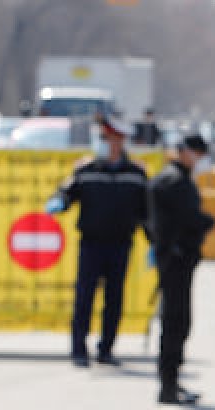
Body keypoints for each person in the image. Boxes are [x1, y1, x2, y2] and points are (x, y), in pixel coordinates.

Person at [46, 114, 148, 368]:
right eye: (102, 138)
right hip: (91, 244)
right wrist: (60, 201)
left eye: (109, 138)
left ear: (120, 141)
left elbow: (146, 211)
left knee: (114, 300)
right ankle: (79, 350)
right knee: (84, 299)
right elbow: (67, 193)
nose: (104, 143)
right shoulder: (86, 170)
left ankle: (106, 349)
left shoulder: (136, 174)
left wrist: (155, 241)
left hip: (120, 244)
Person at [147, 134, 215, 405]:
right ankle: (168, 386)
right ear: (185, 152)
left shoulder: (171, 179)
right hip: (177, 259)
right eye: (196, 154)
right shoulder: (176, 182)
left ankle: (171, 383)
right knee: (176, 323)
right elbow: (189, 218)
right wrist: (207, 221)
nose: (199, 159)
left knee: (176, 323)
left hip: (173, 259)